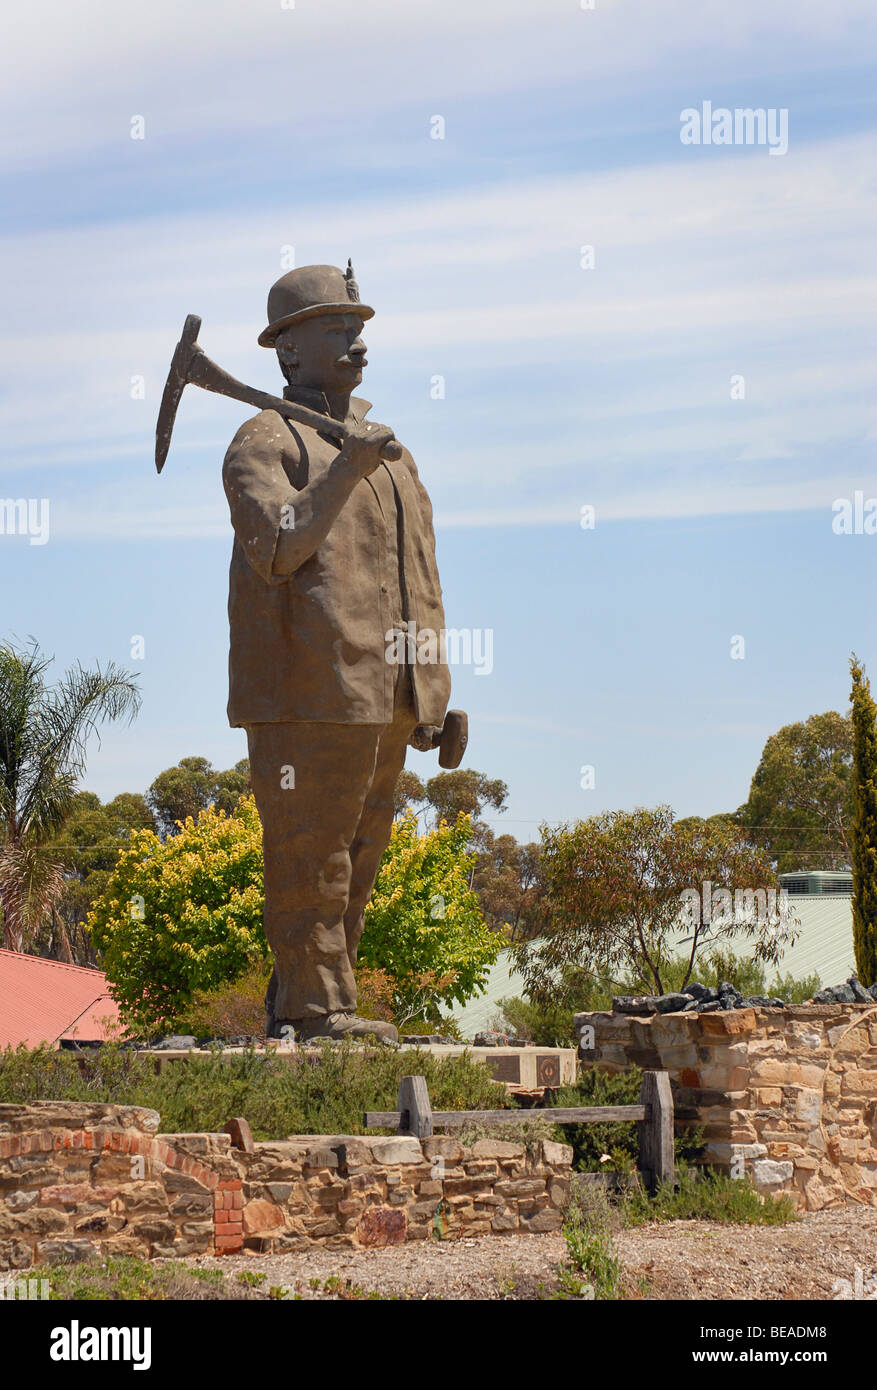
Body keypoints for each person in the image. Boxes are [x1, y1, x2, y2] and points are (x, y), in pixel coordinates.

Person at [222, 262, 451, 1042]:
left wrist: (429, 693)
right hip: (304, 690)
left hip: (384, 693)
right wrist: (345, 466)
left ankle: (313, 1007)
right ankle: (317, 1009)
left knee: (358, 861)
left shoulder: (396, 458)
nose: (356, 342)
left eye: (358, 328)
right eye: (335, 329)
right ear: (287, 355)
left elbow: (416, 577)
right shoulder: (264, 439)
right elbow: (278, 549)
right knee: (309, 856)